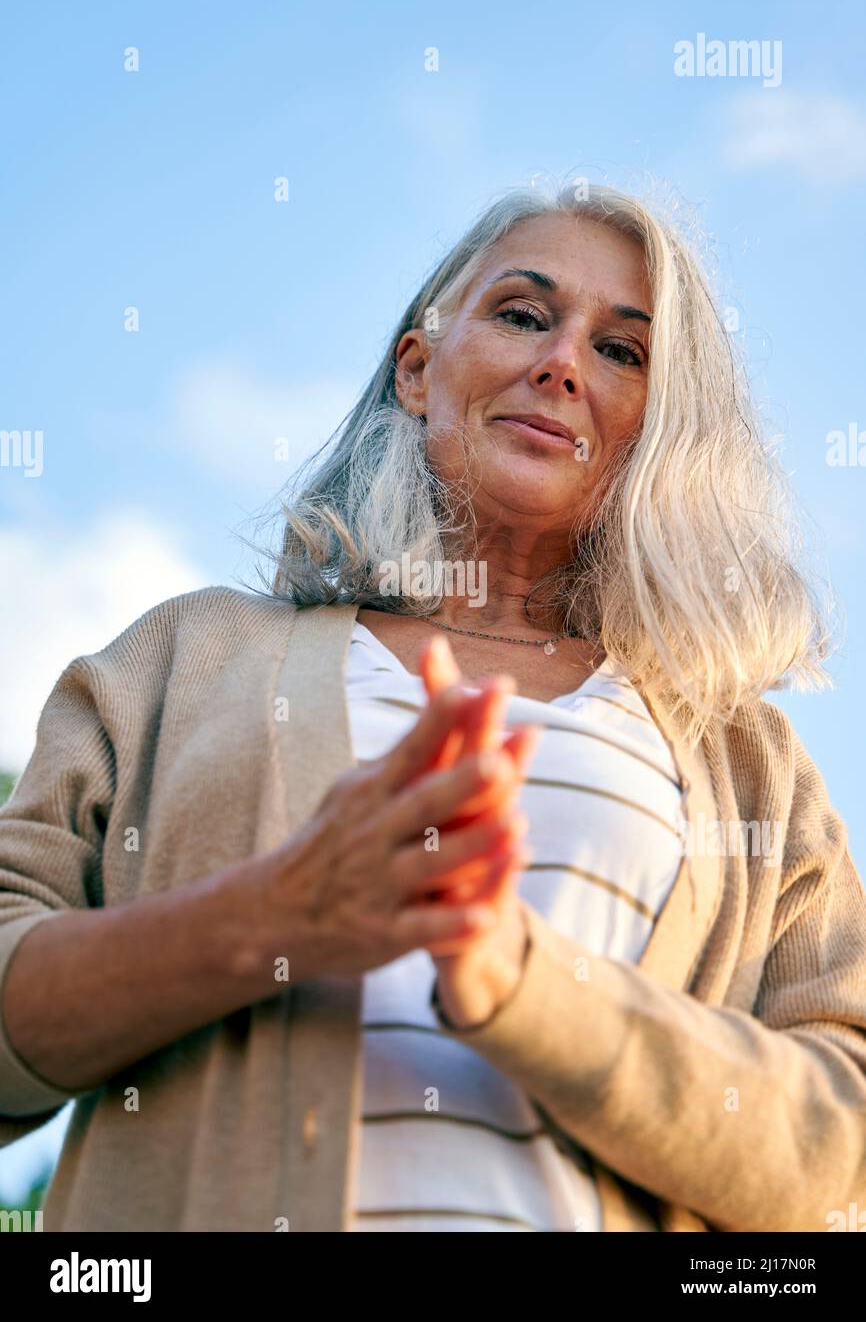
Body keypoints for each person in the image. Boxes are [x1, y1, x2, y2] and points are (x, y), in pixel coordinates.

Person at [1, 180, 865, 1233]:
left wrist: (521, 982)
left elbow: (838, 1153)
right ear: (418, 368)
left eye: (621, 351)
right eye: (521, 314)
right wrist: (275, 912)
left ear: (653, 426)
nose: (559, 364)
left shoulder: (748, 764)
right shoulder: (185, 658)